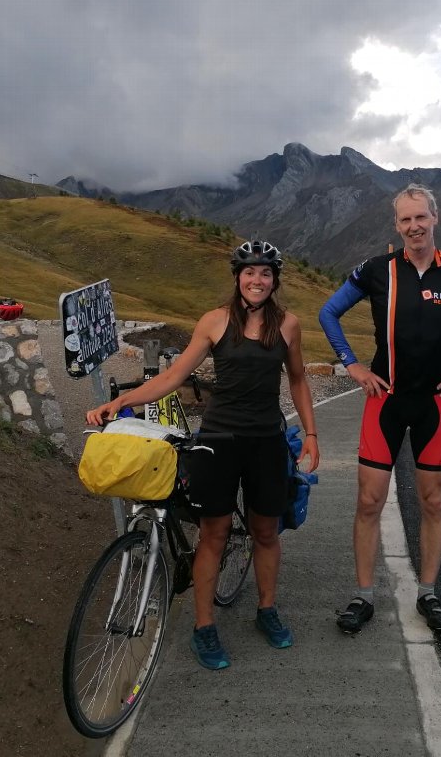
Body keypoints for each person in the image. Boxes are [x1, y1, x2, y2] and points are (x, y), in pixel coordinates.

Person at [86, 240, 320, 669]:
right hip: (219, 439)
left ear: (275, 280)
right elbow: (175, 375)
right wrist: (122, 402)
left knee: (266, 532)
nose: (257, 280)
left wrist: (311, 432)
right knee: (213, 533)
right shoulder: (214, 321)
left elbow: (300, 379)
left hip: (267, 440)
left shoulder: (288, 324)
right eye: (249, 272)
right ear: (237, 278)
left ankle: (267, 610)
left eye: (265, 273)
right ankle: (204, 627)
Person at [318, 184, 441, 634]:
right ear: (396, 225)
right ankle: (363, 597)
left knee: (433, 499)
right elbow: (329, 313)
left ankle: (428, 592)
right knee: (368, 500)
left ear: (434, 218)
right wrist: (352, 367)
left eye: (420, 217)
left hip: (436, 404)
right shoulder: (376, 269)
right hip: (384, 400)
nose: (413, 226)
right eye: (405, 220)